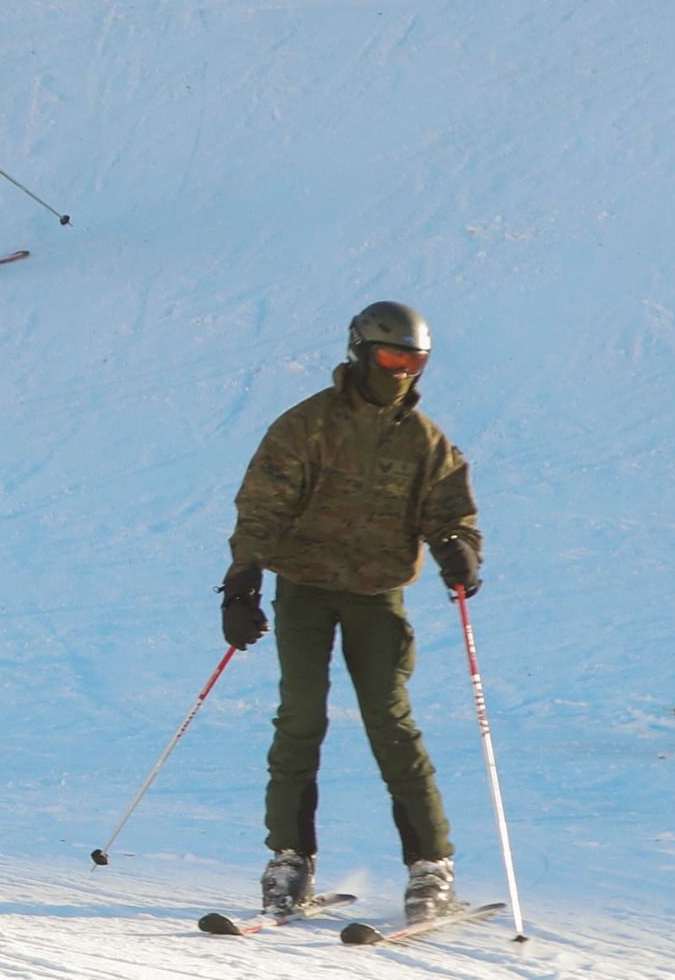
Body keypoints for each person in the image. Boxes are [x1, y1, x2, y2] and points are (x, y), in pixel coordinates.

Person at [218, 301, 484, 923]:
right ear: (362, 352)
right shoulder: (307, 425)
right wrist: (242, 580)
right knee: (301, 718)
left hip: (376, 594)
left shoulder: (425, 442)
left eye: (414, 361)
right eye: (392, 357)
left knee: (390, 724)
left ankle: (431, 865)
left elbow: (452, 512)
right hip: (305, 589)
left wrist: (459, 550)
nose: (402, 372)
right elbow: (262, 503)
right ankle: (290, 859)